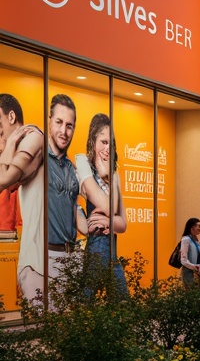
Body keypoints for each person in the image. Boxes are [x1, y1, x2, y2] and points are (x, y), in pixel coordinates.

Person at [0, 93, 46, 302]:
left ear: (10, 117)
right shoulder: (21, 145)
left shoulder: (32, 137)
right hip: (34, 258)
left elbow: (3, 181)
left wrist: (8, 146)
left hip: (38, 262)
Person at [75, 114, 127, 292]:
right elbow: (108, 209)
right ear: (93, 141)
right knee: (87, 301)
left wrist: (107, 221)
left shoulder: (115, 175)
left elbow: (122, 224)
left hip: (112, 249)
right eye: (103, 142)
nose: (107, 148)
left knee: (122, 303)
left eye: (111, 143)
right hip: (96, 243)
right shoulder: (85, 170)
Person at [45, 95, 84, 300]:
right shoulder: (39, 159)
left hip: (73, 257)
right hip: (48, 256)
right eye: (59, 122)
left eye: (69, 126)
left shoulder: (71, 168)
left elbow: (75, 208)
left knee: (71, 327)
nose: (64, 131)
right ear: (49, 121)